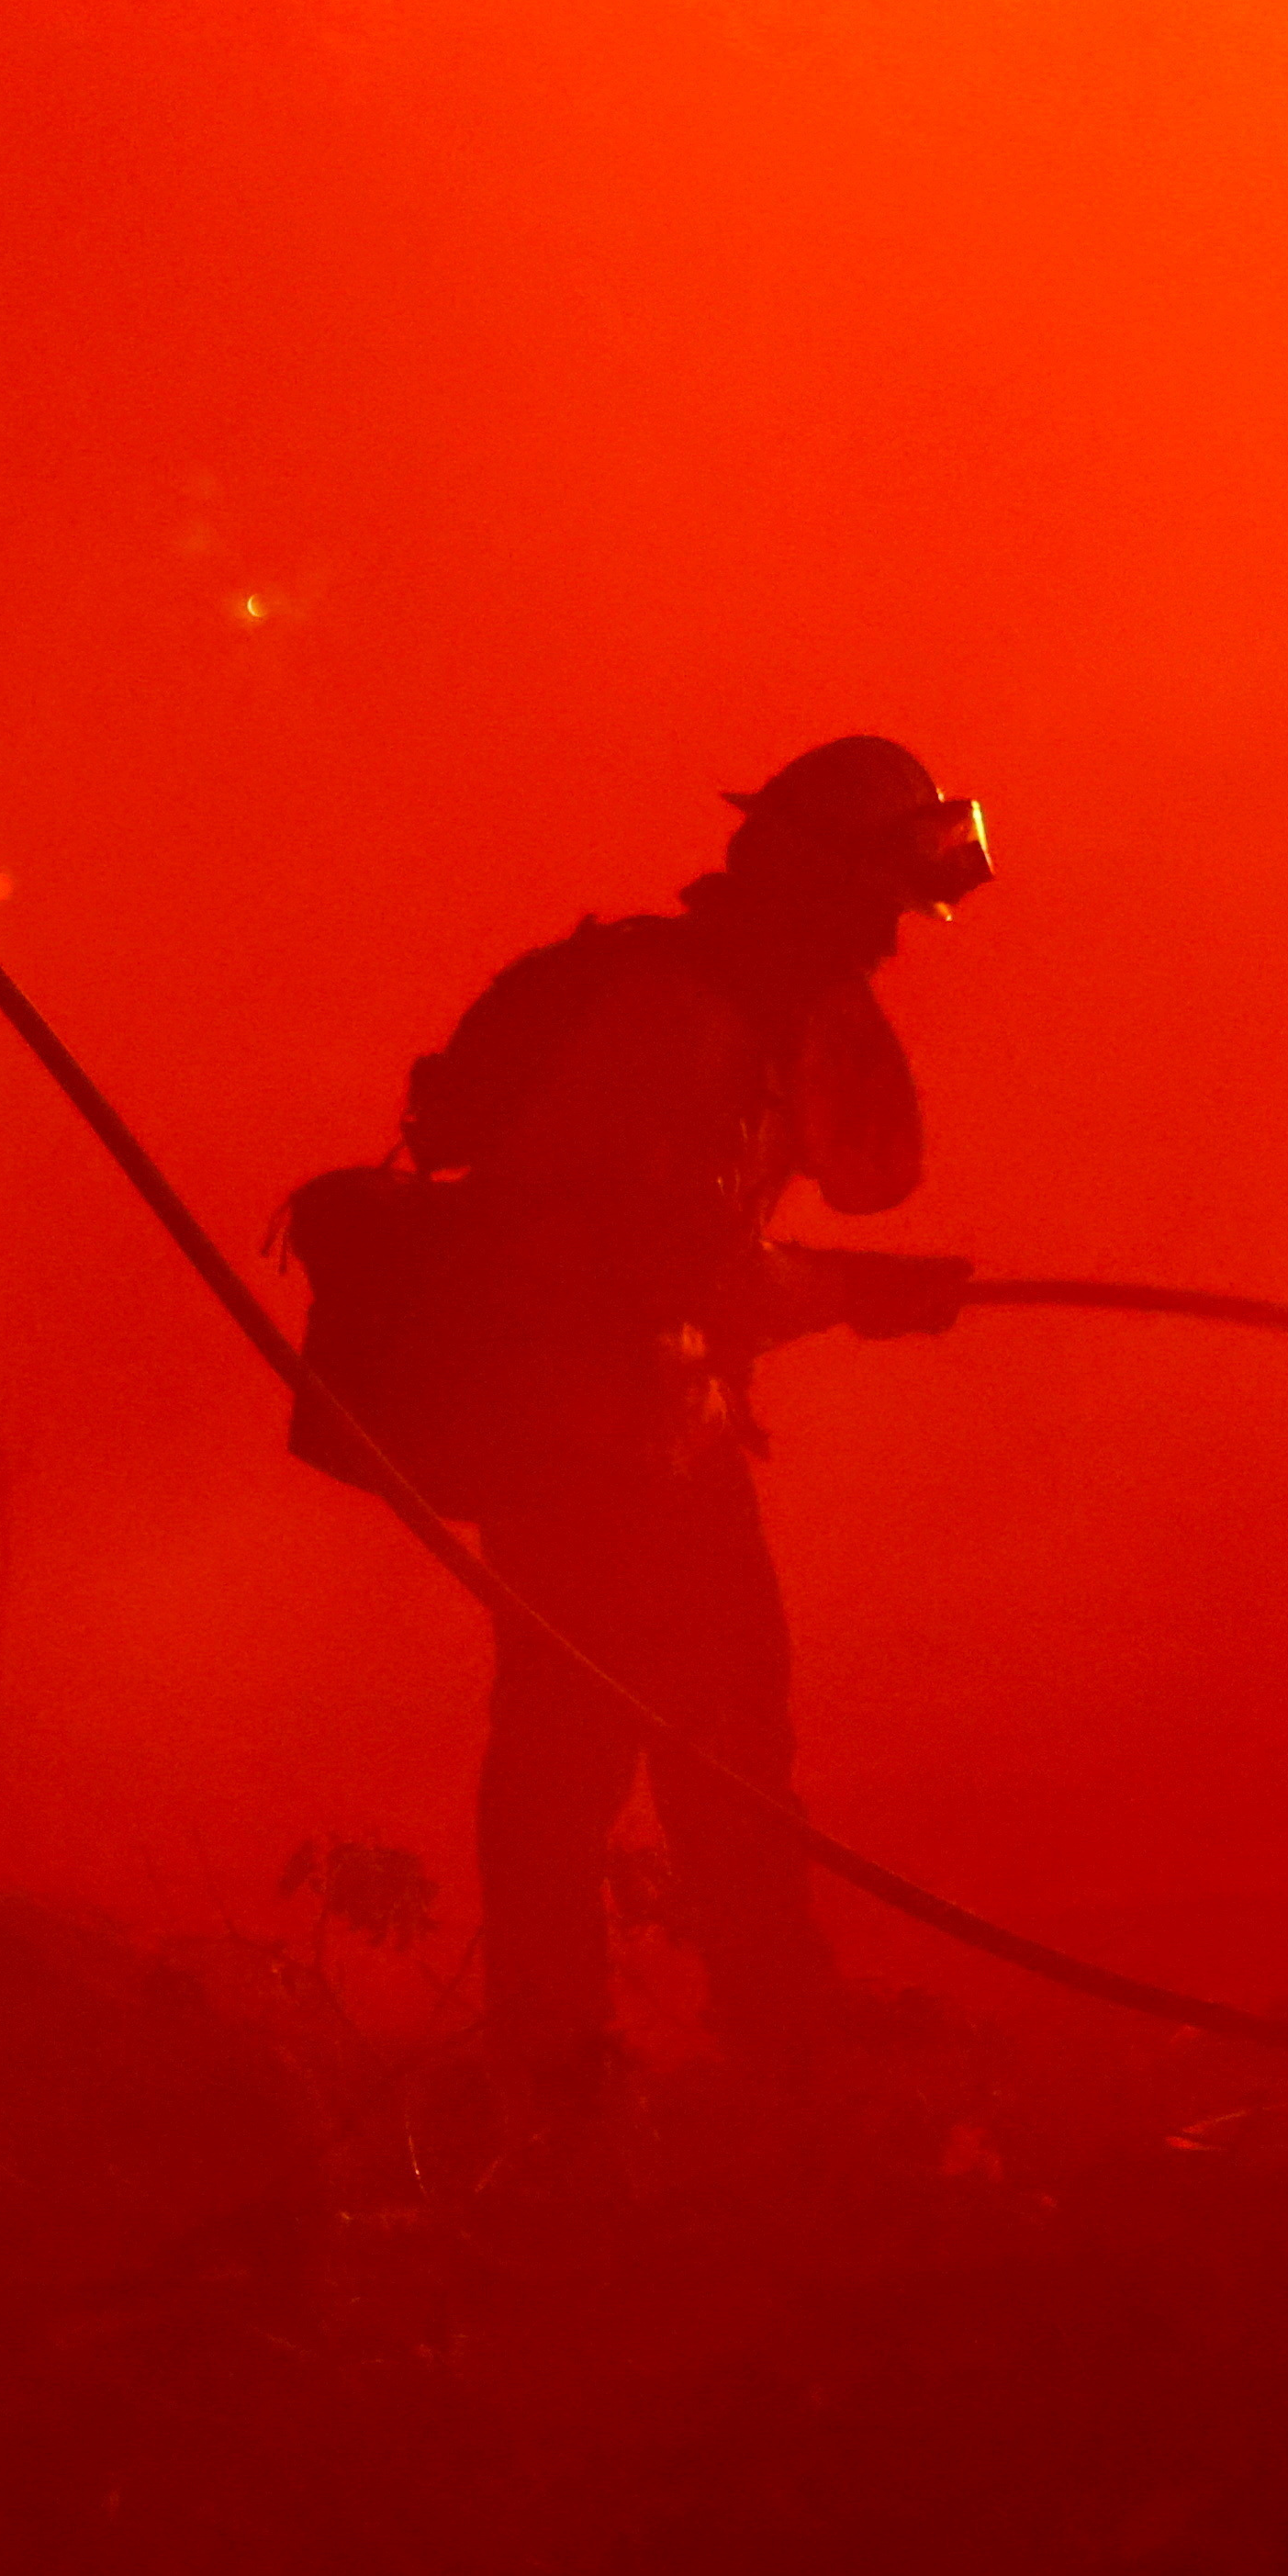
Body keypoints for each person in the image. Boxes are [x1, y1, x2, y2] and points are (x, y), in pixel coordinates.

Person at [411, 735, 991, 2115]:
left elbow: (859, 1181)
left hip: (663, 1425)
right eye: (877, 906)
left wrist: (847, 1274)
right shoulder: (672, 1019)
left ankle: (775, 2041)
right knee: (572, 1747)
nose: (892, 940)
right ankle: (555, 2072)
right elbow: (657, 1263)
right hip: (571, 1435)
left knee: (730, 1733)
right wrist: (854, 1297)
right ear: (816, 881)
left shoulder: (758, 1007)